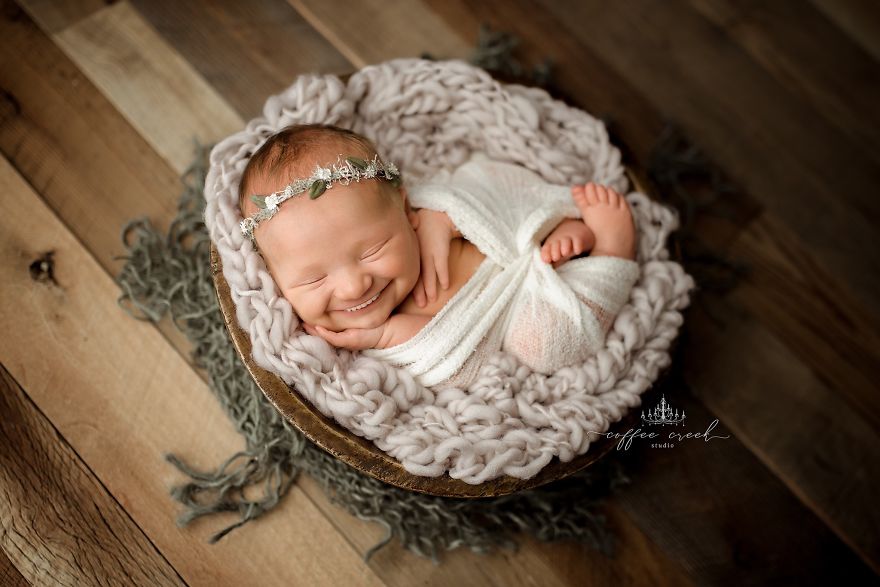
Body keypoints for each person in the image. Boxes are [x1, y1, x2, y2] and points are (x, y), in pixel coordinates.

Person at [238, 123, 638, 387]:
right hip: (524, 310)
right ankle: (611, 251)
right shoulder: (369, 343)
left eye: (373, 250)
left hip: (516, 244)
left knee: (482, 183)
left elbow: (482, 187)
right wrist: (382, 335)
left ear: (404, 209)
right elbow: (454, 370)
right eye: (314, 279)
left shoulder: (425, 214)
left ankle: (559, 226)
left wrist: (446, 216)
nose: (353, 285)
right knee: (543, 344)